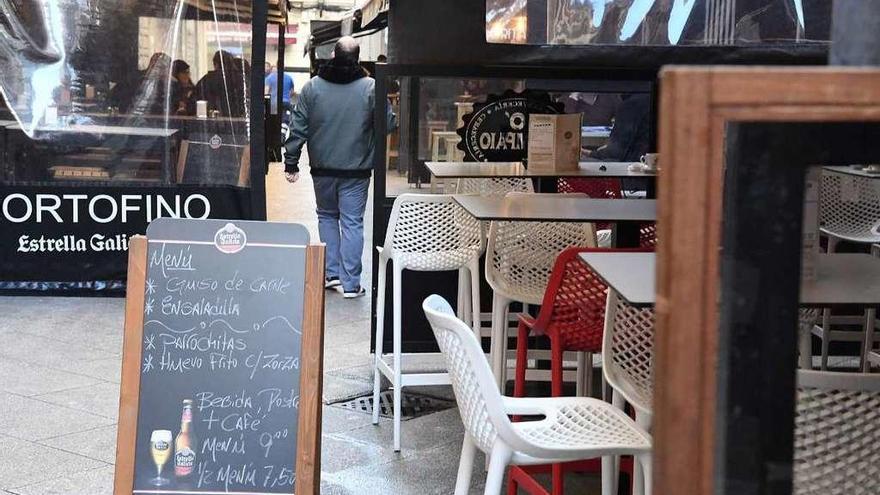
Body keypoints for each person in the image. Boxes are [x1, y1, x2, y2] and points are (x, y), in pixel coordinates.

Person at [283, 36, 397, 298]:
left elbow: (298, 126)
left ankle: (330, 274)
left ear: (333, 55)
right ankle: (351, 284)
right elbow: (388, 125)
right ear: (357, 59)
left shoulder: (312, 88)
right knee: (352, 223)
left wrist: (291, 161)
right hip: (356, 171)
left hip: (322, 168)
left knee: (326, 217)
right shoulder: (371, 87)